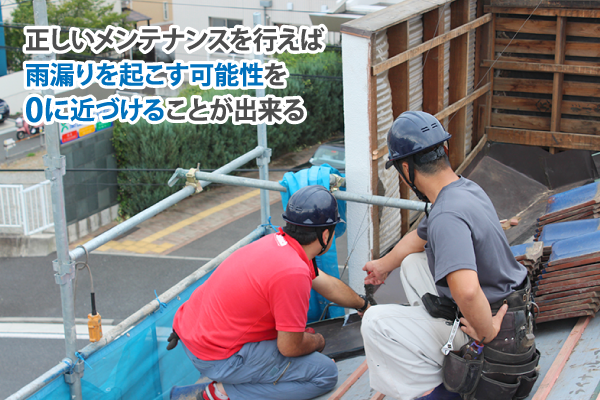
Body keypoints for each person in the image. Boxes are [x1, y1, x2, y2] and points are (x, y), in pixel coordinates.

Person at [361, 111, 537, 400]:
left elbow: (467, 292)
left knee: (375, 322)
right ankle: (445, 337)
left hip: (496, 334)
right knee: (412, 263)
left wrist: (486, 332)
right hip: (513, 318)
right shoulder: (464, 189)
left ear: (405, 168)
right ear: (443, 150)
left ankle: (440, 392)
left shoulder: (446, 215)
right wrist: (381, 266)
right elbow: (415, 240)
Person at [169, 185, 370, 400]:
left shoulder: (278, 244)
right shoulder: (293, 271)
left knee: (300, 341)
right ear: (326, 233)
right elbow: (290, 347)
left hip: (194, 333)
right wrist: (318, 342)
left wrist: (363, 304)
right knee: (324, 374)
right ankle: (219, 393)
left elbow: (326, 283)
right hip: (218, 356)